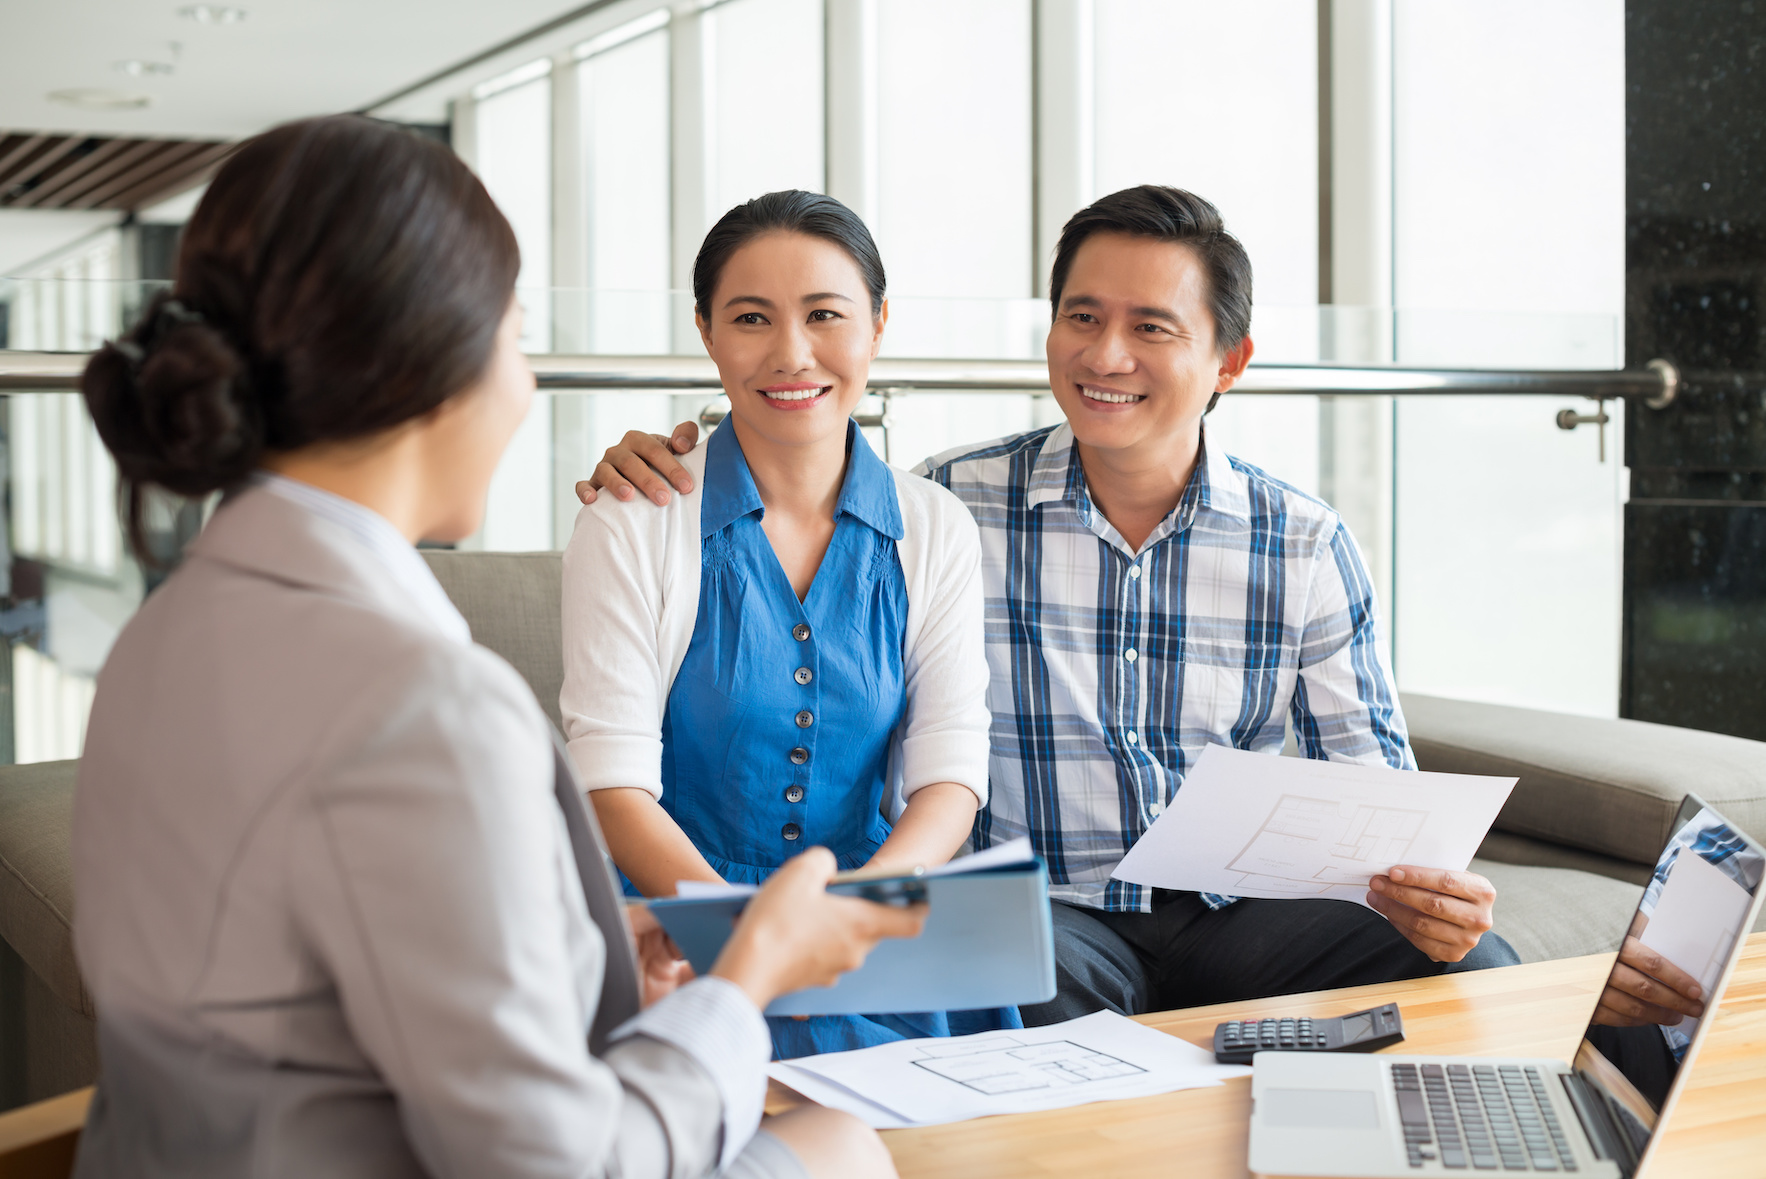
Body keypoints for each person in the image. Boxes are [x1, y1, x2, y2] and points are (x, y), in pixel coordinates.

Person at [71, 117, 917, 1179]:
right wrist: (747, 974)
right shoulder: (420, 703)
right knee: (845, 1148)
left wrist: (585, 935)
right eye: (513, 337)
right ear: (427, 364)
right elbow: (561, 1163)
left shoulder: (162, 632)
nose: (522, 387)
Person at [580, 185, 1520, 1023]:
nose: (1106, 355)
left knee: (1471, 964)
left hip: (1243, 920)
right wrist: (650, 457)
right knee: (1003, 977)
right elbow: (790, 467)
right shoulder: (953, 506)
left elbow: (1382, 805)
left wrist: (1431, 893)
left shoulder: (1304, 544)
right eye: (1083, 317)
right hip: (1053, 916)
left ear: (1229, 361)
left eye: (1152, 326)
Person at [561, 190, 1018, 1059]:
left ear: (878, 324)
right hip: (675, 929)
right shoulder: (630, 519)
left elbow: (950, 769)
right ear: (705, 330)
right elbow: (612, 782)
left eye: (824, 315)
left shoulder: (935, 526)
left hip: (869, 922)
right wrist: (758, 942)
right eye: (750, 317)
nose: (791, 352)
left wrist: (858, 913)